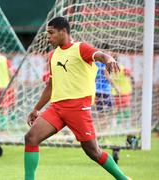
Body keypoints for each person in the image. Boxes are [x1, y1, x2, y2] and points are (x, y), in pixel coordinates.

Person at [24, 17, 129, 180]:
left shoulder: (80, 48)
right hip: (57, 108)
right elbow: (51, 86)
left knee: (93, 152)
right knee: (31, 137)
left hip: (79, 109)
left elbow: (100, 55)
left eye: (51, 33)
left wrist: (109, 59)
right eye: (47, 33)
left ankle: (123, 179)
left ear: (63, 32)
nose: (48, 37)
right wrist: (36, 108)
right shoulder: (53, 55)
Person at [95, 61, 120, 129]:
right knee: (106, 112)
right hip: (104, 91)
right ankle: (96, 128)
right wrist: (116, 87)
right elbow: (106, 74)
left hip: (100, 90)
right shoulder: (105, 61)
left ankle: (103, 129)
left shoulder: (96, 62)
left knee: (106, 112)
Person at [111, 64, 133, 129]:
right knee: (117, 109)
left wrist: (128, 72)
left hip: (125, 92)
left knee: (126, 107)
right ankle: (118, 125)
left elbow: (129, 74)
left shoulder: (123, 69)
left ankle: (127, 124)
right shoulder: (109, 70)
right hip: (116, 93)